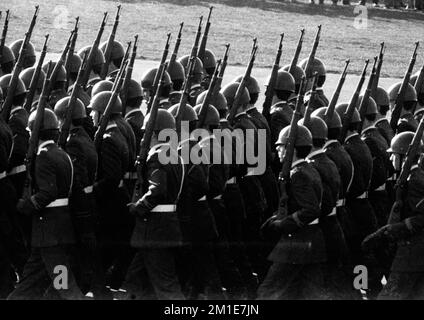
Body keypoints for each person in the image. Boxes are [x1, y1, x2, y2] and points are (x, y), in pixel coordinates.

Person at [8, 108, 85, 300]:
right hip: (53, 230)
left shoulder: (44, 157)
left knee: (64, 283)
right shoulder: (62, 154)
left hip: (50, 231)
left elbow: (47, 193)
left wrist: (27, 205)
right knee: (31, 279)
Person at [258, 124, 327, 299]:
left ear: (291, 150)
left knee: (268, 291)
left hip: (295, 244)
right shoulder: (310, 169)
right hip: (311, 242)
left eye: (280, 147)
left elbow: (311, 210)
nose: (278, 151)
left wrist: (283, 224)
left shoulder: (298, 174)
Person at [125, 109, 185, 300]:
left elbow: (157, 189)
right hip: (162, 227)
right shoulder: (174, 154)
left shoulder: (158, 155)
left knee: (166, 286)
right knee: (135, 279)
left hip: (154, 228)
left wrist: (138, 207)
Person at [363, 131, 424, 299]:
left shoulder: (415, 181)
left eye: (394, 155)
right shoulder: (414, 177)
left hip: (411, 255)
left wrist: (392, 229)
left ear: (405, 157)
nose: (390, 159)